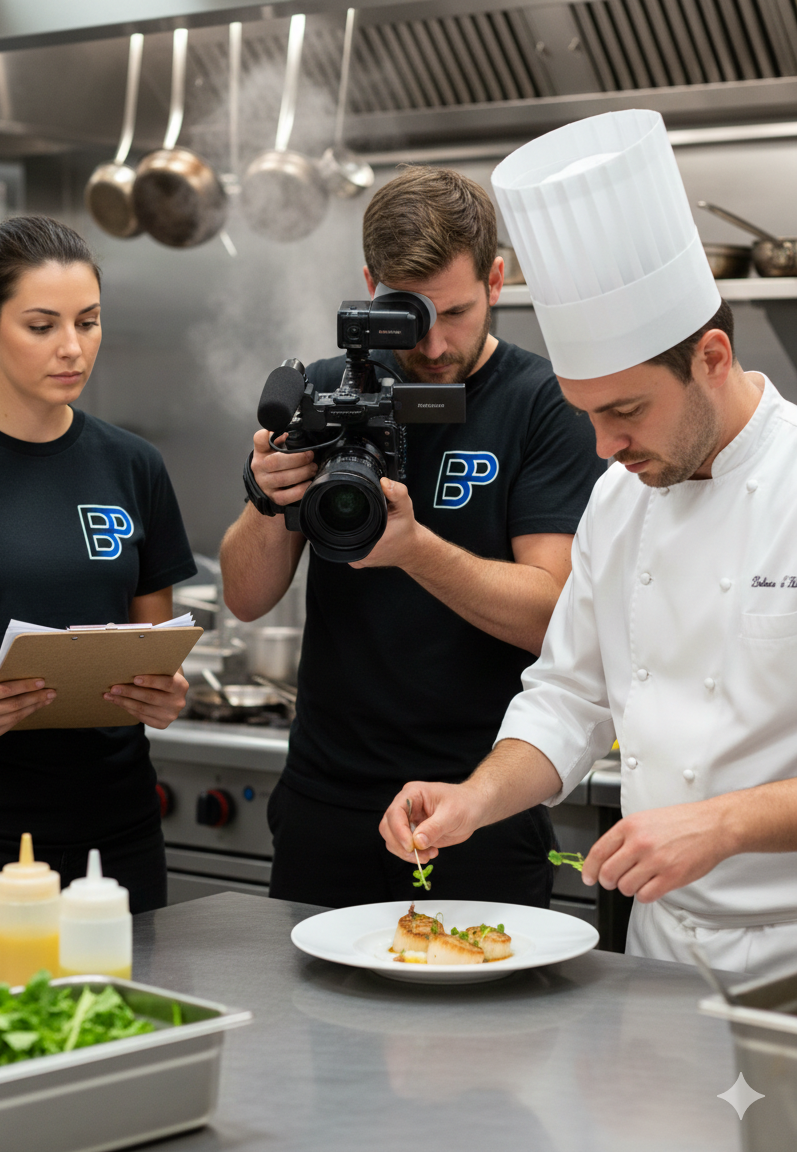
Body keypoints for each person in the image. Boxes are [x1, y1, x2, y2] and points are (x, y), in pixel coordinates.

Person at [380, 110, 797, 973]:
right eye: (586, 414)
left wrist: (724, 823)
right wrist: (474, 799)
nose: (605, 448)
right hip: (660, 949)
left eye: (626, 411)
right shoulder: (621, 497)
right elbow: (569, 697)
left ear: (712, 358)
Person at [220, 166, 605, 907]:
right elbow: (245, 598)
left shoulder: (545, 404)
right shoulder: (327, 391)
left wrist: (414, 550)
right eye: (408, 314)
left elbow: (553, 617)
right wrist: (266, 496)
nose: (433, 344)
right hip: (326, 798)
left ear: (497, 280)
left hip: (480, 800)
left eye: (456, 312)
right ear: (371, 287)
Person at [0, 216, 196, 912]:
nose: (72, 348)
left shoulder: (134, 465)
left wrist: (165, 694)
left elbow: (153, 650)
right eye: (42, 326)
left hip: (118, 832)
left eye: (88, 322)